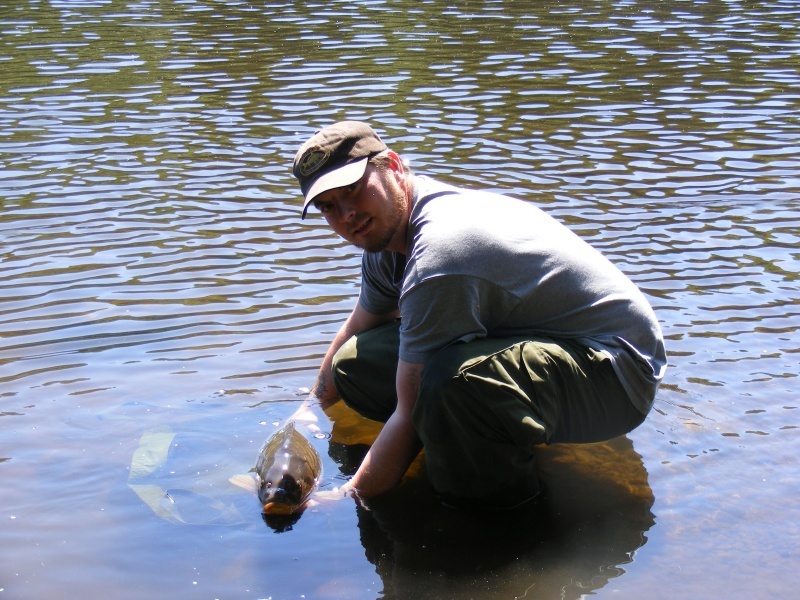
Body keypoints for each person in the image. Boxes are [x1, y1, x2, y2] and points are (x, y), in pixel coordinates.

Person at [291, 121, 667, 509]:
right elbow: (359, 324)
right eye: (328, 206)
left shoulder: (440, 252)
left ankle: (499, 511)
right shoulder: (384, 238)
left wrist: (343, 497)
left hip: (618, 376)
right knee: (355, 362)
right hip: (554, 343)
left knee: (451, 384)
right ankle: (482, 434)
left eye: (352, 189)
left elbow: (408, 407)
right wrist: (310, 410)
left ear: (393, 165)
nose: (347, 215)